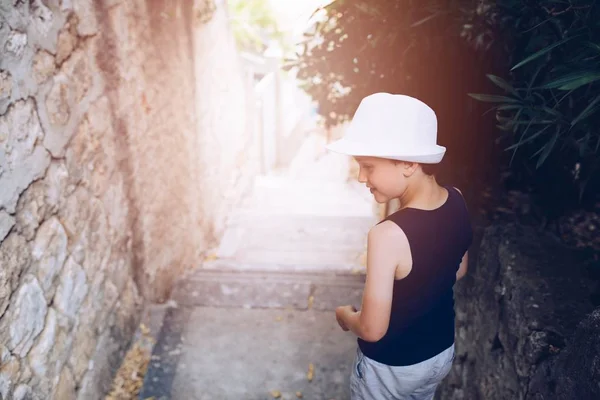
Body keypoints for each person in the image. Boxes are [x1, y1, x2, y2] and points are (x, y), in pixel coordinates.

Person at [327, 93, 473, 400]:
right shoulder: (458, 199)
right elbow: (459, 270)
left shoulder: (387, 235)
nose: (361, 177)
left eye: (368, 166)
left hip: (391, 367)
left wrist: (345, 314)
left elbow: (372, 329)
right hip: (439, 354)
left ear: (408, 163)